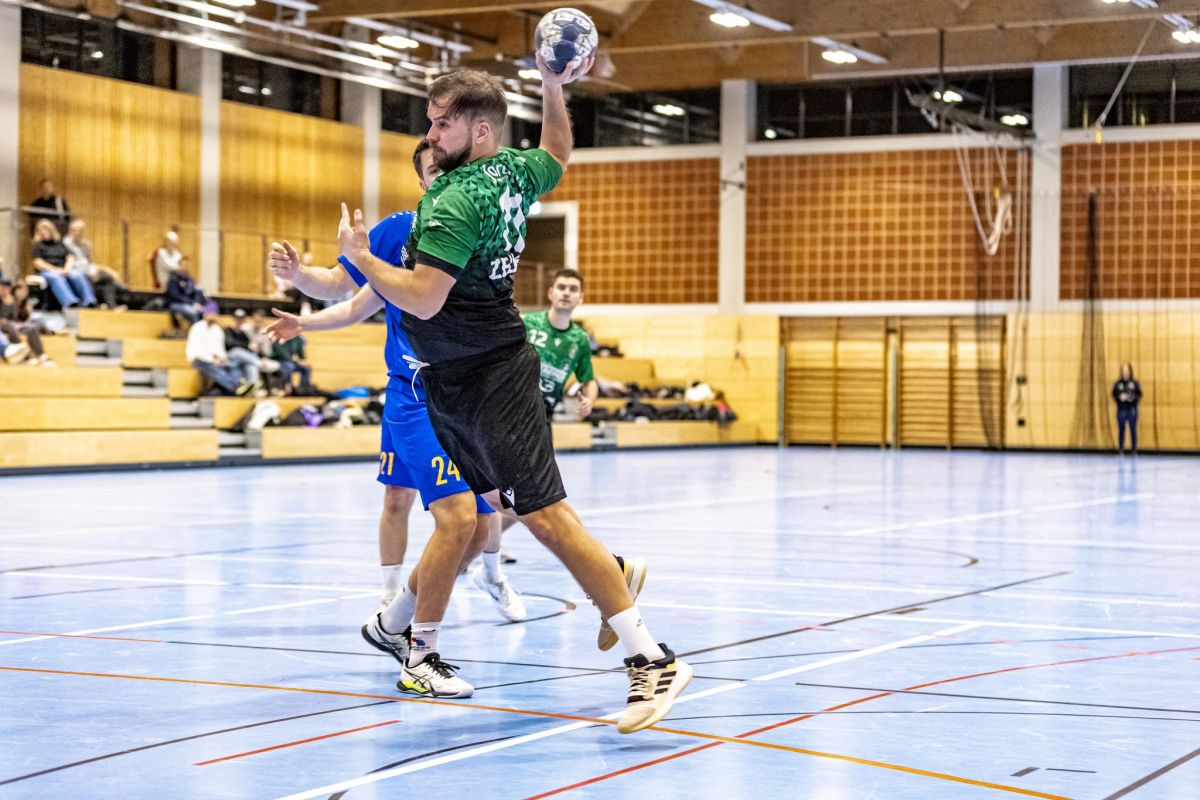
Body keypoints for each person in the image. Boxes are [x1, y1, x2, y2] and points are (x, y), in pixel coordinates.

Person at [334, 59, 690, 733]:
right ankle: (396, 622)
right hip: (454, 379)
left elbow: (424, 298)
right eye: (431, 122)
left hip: (487, 379)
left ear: (479, 129)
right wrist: (554, 87)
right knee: (477, 519)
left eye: (443, 124)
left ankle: (651, 657)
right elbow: (557, 151)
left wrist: (363, 258)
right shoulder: (514, 170)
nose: (431, 135)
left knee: (547, 517)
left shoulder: (453, 201)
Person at [266, 140, 525, 701]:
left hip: (469, 398)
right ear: (424, 180)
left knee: (483, 525)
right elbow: (344, 291)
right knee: (452, 517)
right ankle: (419, 654)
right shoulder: (399, 231)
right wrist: (299, 277)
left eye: (455, 166)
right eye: (436, 169)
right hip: (416, 396)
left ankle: (393, 622)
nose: (447, 175)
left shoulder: (478, 229)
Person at [185, 301, 253, 396]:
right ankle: (235, 388)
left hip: (214, 358)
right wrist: (212, 360)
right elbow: (197, 350)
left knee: (233, 365)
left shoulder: (217, 330)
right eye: (210, 313)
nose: (212, 316)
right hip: (198, 359)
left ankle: (237, 387)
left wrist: (223, 359)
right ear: (205, 314)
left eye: (214, 314)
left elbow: (220, 349)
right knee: (214, 369)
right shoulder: (197, 328)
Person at [31, 218, 96, 309]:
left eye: (46, 229)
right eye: (41, 230)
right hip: (48, 271)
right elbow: (38, 262)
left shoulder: (60, 243)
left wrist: (66, 269)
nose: (44, 231)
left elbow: (70, 257)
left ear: (52, 230)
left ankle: (89, 301)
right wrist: (56, 270)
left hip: (64, 269)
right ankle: (71, 302)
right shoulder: (38, 245)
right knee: (56, 277)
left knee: (77, 275)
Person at [63, 220, 127, 310]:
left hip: (86, 269)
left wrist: (93, 269)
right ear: (70, 231)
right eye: (75, 230)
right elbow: (71, 261)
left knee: (107, 278)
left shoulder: (85, 244)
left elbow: (88, 261)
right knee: (88, 277)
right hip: (75, 271)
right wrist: (89, 271)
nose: (78, 233)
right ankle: (94, 305)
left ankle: (111, 306)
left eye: (80, 231)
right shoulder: (65, 243)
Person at [0, 279, 55, 366]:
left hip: (17, 324)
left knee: (32, 327)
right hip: (5, 326)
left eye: (7, 289)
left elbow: (17, 317)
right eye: (3, 289)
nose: (5, 291)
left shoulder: (16, 301)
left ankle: (41, 355)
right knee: (8, 324)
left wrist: (12, 304)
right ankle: (24, 355)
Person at [164, 258, 206, 329]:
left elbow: (197, 292)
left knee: (204, 312)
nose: (185, 267)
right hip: (176, 304)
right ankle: (195, 333)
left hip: (190, 304)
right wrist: (191, 303)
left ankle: (202, 332)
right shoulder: (173, 279)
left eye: (187, 265)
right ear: (179, 266)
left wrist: (197, 303)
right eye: (184, 265)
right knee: (193, 313)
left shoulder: (190, 279)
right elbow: (175, 296)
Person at [1113, 362, 1143, 455]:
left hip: (1132, 409)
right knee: (1121, 429)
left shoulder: (1135, 383)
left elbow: (1139, 394)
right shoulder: (1118, 383)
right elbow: (1114, 394)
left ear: (1130, 371)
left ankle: (1134, 449)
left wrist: (1132, 398)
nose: (1125, 373)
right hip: (1121, 409)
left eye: (1127, 371)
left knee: (1133, 429)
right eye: (1123, 371)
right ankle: (1121, 449)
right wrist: (1120, 397)